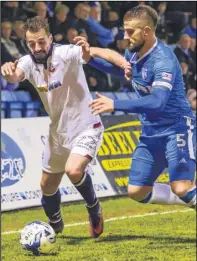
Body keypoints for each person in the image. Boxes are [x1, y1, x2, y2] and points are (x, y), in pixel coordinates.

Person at [74, 5, 196, 210]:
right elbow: (122, 72)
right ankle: (186, 197)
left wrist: (114, 104)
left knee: (181, 186)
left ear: (147, 32)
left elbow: (157, 102)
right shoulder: (135, 53)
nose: (125, 35)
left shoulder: (163, 60)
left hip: (177, 129)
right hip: (151, 132)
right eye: (124, 30)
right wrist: (89, 59)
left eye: (130, 31)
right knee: (136, 191)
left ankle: (185, 193)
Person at [1, 16, 104, 238]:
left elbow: (95, 53)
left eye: (41, 42)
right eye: (31, 44)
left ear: (49, 38)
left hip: (86, 125)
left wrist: (123, 64)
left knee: (74, 170)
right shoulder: (28, 63)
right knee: (47, 185)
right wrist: (9, 71)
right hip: (57, 132)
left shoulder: (65, 53)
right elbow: (16, 75)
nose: (37, 47)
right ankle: (54, 223)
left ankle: (94, 207)